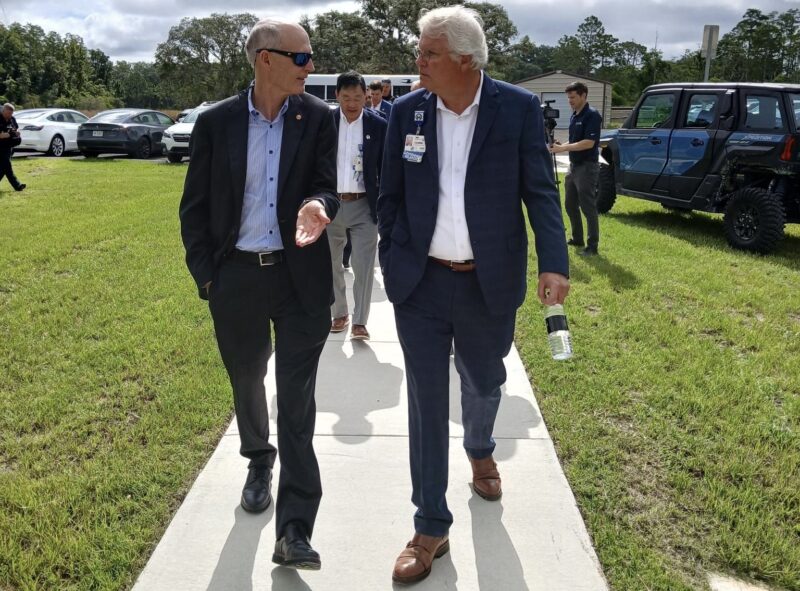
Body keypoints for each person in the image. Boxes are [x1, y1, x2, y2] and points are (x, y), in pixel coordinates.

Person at [378, 5, 570, 584]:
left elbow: (540, 193)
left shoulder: (516, 108)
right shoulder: (407, 111)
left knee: (485, 379)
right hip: (422, 284)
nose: (419, 62)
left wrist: (555, 263)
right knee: (426, 400)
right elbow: (389, 192)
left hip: (490, 283)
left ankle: (481, 445)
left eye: (429, 53)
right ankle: (429, 523)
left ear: (465, 59)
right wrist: (395, 251)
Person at [179, 18, 338, 571]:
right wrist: (208, 278)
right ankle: (256, 459)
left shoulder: (317, 117)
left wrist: (321, 206)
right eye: (302, 58)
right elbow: (194, 208)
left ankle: (294, 529)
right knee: (247, 376)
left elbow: (325, 184)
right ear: (265, 59)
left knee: (297, 399)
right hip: (237, 278)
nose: (310, 67)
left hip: (301, 282)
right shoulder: (216, 122)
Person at [328, 71, 387, 340]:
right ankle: (339, 313)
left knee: (363, 265)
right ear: (337, 95)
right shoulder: (326, 122)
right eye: (346, 97)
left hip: (364, 205)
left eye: (357, 97)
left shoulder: (378, 125)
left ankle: (360, 321)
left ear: (367, 96)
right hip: (331, 204)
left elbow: (386, 168)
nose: (352, 103)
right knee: (331, 264)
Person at [549, 81, 603, 256]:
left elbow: (589, 143)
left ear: (583, 95)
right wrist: (560, 145)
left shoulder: (592, 115)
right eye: (568, 97)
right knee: (570, 204)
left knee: (588, 207)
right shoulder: (574, 115)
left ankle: (592, 246)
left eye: (572, 97)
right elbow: (573, 142)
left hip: (587, 167)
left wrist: (563, 148)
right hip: (574, 167)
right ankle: (577, 238)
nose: (569, 101)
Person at [0, 103, 25, 192]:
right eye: (8, 114)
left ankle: (17, 186)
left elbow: (16, 128)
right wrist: (8, 134)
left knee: (4, 168)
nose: (9, 116)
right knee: (7, 166)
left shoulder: (12, 119)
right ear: (3, 111)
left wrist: (17, 132)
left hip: (9, 147)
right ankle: (17, 186)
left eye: (11, 114)